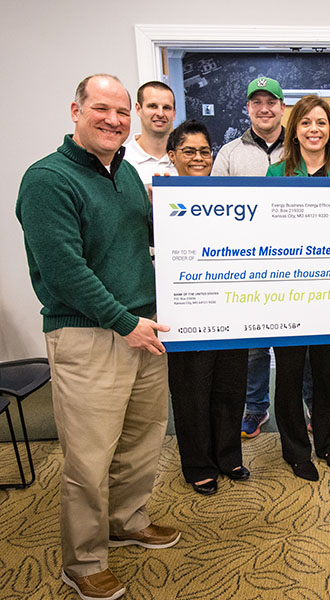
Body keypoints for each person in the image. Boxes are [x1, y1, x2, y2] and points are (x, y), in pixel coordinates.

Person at [16, 74, 179, 600]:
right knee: (88, 457)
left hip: (143, 329)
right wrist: (123, 321)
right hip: (90, 334)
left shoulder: (126, 174)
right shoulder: (47, 180)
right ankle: (83, 560)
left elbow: (142, 244)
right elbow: (64, 270)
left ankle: (127, 521)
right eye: (100, 109)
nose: (113, 120)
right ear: (75, 110)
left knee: (141, 440)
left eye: (121, 112)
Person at [265, 94, 330, 481]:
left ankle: (328, 442)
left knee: (325, 372)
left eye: (321, 123)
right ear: (295, 130)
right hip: (288, 292)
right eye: (306, 123)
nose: (314, 129)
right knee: (288, 373)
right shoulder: (277, 173)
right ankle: (296, 449)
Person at [165, 120, 250, 495]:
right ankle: (199, 464)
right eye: (189, 151)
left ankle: (228, 455)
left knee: (231, 385)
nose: (198, 158)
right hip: (185, 310)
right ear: (173, 156)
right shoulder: (162, 197)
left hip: (229, 308)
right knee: (192, 390)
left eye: (204, 151)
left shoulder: (225, 194)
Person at [212, 76, 286, 439]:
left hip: (292, 267)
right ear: (248, 109)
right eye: (256, 103)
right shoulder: (229, 153)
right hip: (248, 269)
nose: (264, 109)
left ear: (282, 107)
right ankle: (256, 408)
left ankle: (307, 407)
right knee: (254, 350)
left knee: (297, 346)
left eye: (270, 102)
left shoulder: (300, 148)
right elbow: (214, 209)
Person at [123, 80, 178, 185]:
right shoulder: (121, 160)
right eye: (153, 106)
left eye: (166, 108)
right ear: (138, 109)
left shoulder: (185, 159)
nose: (160, 113)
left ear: (174, 113)